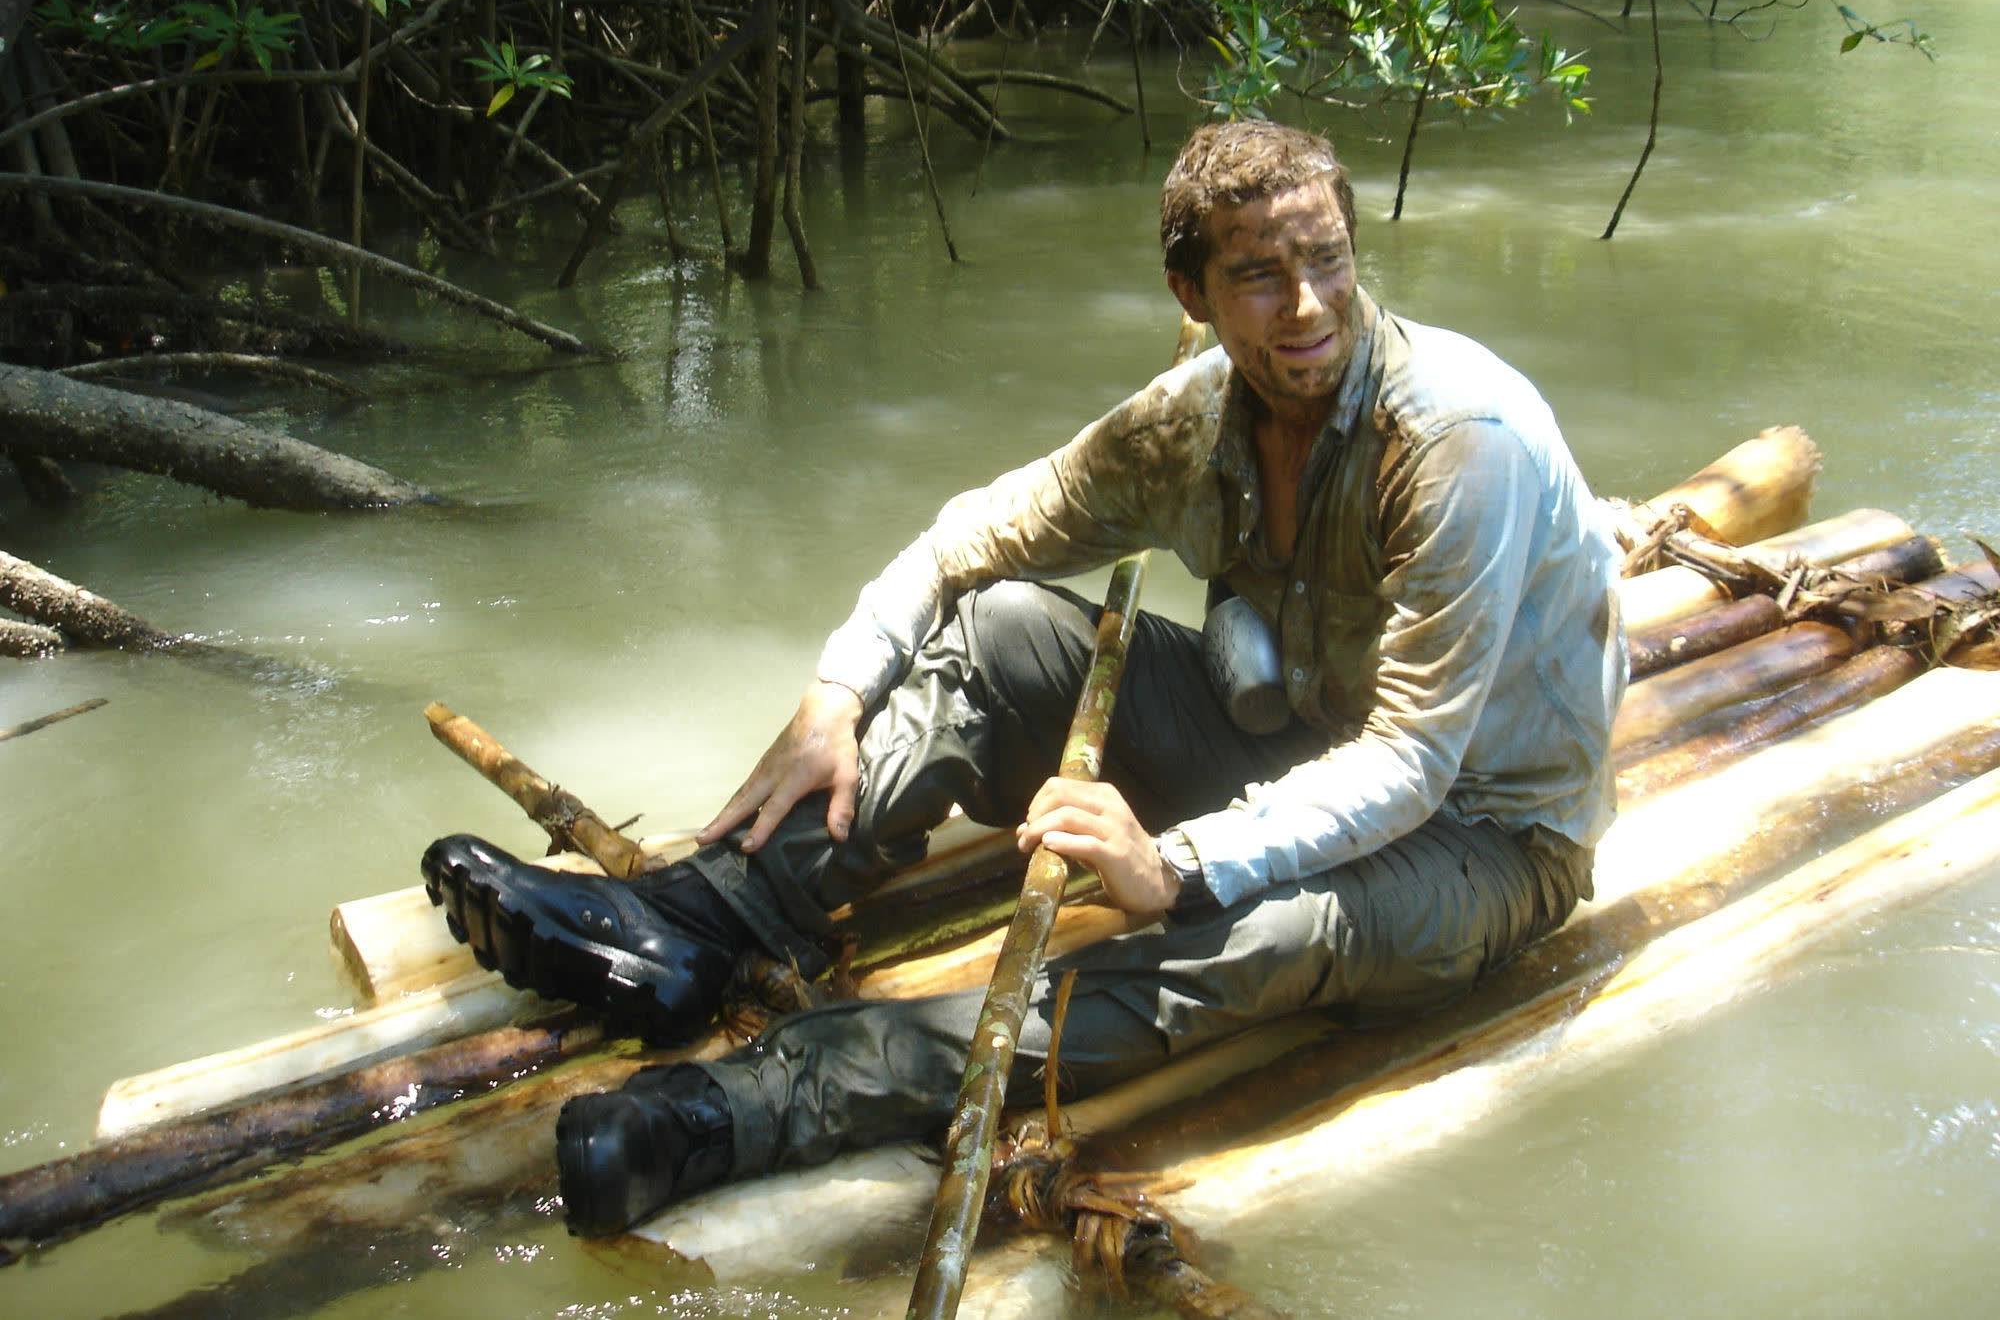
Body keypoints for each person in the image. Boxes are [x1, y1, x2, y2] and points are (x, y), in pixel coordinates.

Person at [420, 119, 1628, 1238]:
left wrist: (1181, 864)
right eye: (1259, 276)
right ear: (1191, 295)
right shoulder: (1192, 422)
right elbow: (966, 542)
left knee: (1266, 925)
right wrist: (833, 697)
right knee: (1000, 632)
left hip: (1483, 833)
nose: (1306, 306)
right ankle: (702, 919)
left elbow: (1413, 760)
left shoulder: (1454, 447)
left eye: (1326, 261)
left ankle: (759, 1102)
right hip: (1303, 744)